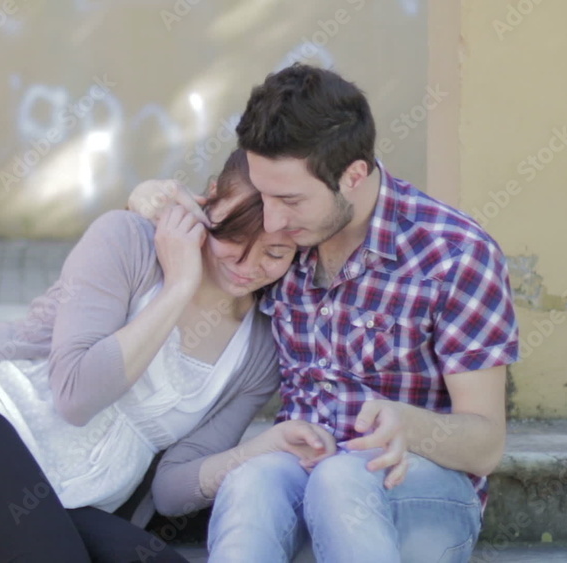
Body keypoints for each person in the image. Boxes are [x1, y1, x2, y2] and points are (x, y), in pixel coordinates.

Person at [0, 149, 335, 563]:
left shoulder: (257, 351)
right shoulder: (127, 240)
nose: (248, 266)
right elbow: (77, 396)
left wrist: (261, 448)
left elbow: (170, 490)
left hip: (71, 499)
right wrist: (179, 286)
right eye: (233, 239)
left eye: (274, 254)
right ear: (211, 200)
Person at [129, 64, 520, 562]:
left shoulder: (455, 254)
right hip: (301, 477)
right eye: (263, 194)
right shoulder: (277, 247)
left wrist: (409, 424)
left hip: (415, 493)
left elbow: (486, 444)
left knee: (342, 477)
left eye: (289, 199)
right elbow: (204, 235)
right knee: (251, 480)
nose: (272, 219)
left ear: (352, 176)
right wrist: (146, 201)